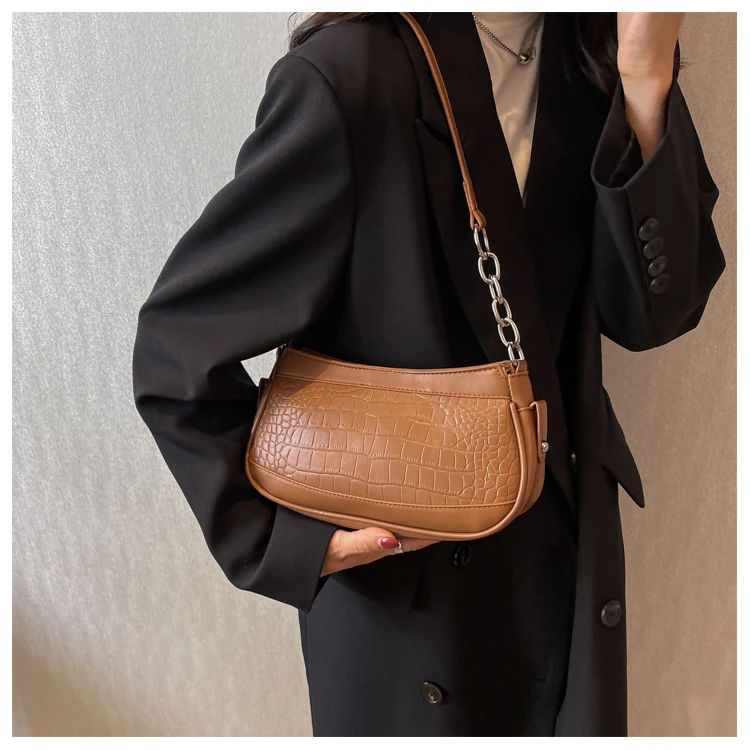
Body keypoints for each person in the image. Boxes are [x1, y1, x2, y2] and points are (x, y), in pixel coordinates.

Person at [132, 12, 726, 737]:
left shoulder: (591, 59)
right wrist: (285, 543)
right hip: (412, 601)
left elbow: (654, 317)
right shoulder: (353, 76)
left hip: (567, 572)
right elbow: (177, 350)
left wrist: (645, 77)